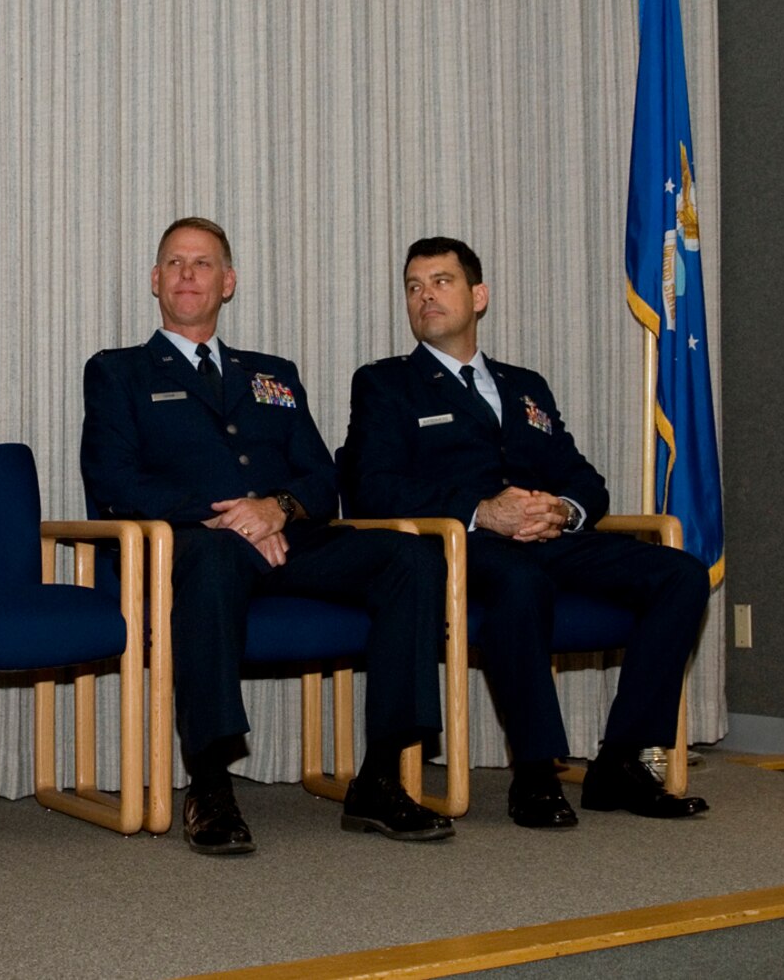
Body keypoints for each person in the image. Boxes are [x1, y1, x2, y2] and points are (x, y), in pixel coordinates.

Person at [79, 218, 453, 854]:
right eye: (174, 263)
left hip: (284, 541)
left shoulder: (272, 373)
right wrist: (227, 514)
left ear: (229, 283)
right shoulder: (120, 372)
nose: (187, 274)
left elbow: (320, 478)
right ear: (154, 281)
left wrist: (276, 508)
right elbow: (112, 481)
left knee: (410, 556)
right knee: (218, 558)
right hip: (186, 546)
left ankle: (381, 776)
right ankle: (210, 782)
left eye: (203, 264)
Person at [339, 237, 710, 829]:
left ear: (478, 295)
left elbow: (585, 479)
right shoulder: (387, 384)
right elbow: (372, 488)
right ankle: (535, 771)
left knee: (681, 574)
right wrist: (483, 511)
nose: (425, 295)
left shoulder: (524, 384)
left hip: (552, 537)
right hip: (464, 547)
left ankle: (619, 760)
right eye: (414, 287)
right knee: (520, 577)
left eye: (441, 281)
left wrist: (562, 509)